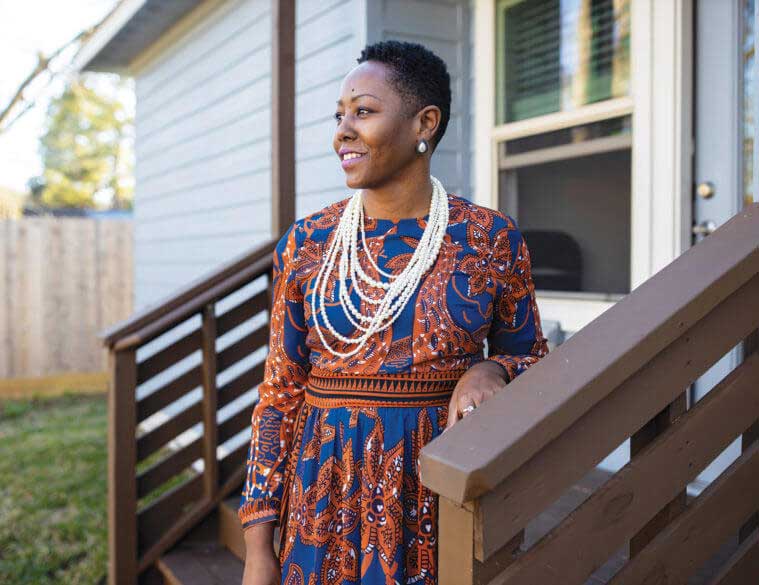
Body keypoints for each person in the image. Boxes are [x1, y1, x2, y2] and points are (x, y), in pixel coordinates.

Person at [239, 40, 549, 585]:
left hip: (435, 491)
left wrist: (490, 368)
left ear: (423, 122)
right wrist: (259, 546)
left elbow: (531, 359)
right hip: (320, 492)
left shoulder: (489, 238)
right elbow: (280, 390)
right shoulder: (307, 242)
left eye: (363, 111)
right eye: (339, 115)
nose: (342, 130)